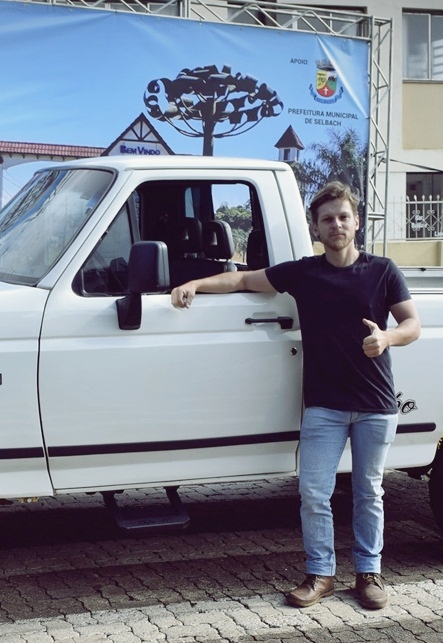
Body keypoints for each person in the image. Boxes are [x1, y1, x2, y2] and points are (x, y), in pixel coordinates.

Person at [170, 182, 420, 610]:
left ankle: (369, 573)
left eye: (343, 217)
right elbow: (243, 278)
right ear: (316, 229)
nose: (336, 225)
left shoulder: (382, 270)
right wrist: (195, 282)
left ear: (356, 222)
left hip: (375, 405)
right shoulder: (305, 273)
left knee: (368, 492)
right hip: (324, 406)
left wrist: (387, 338)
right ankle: (320, 574)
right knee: (314, 492)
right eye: (327, 219)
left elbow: (412, 323)